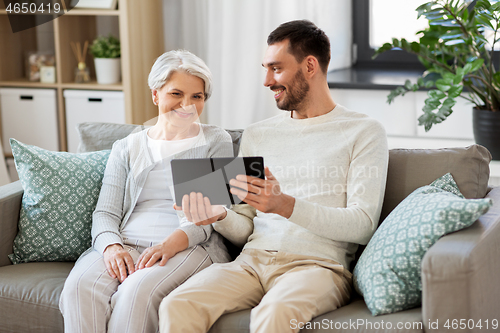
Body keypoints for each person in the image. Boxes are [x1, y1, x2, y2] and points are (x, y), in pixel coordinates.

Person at [158, 20, 389, 333]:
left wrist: (284, 205)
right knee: (177, 304)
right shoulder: (258, 134)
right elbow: (245, 227)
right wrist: (219, 215)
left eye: (276, 69)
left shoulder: (364, 131)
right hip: (251, 262)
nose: (267, 81)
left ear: (310, 66)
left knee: (274, 313)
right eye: (265, 68)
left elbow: (362, 225)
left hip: (318, 268)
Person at [59, 50, 233, 333]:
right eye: (176, 94)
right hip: (126, 240)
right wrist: (112, 247)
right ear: (156, 94)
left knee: (136, 292)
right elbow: (105, 212)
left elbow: (205, 220)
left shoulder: (214, 140)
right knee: (78, 288)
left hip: (188, 244)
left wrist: (167, 246)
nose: (186, 105)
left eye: (197, 97)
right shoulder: (127, 146)